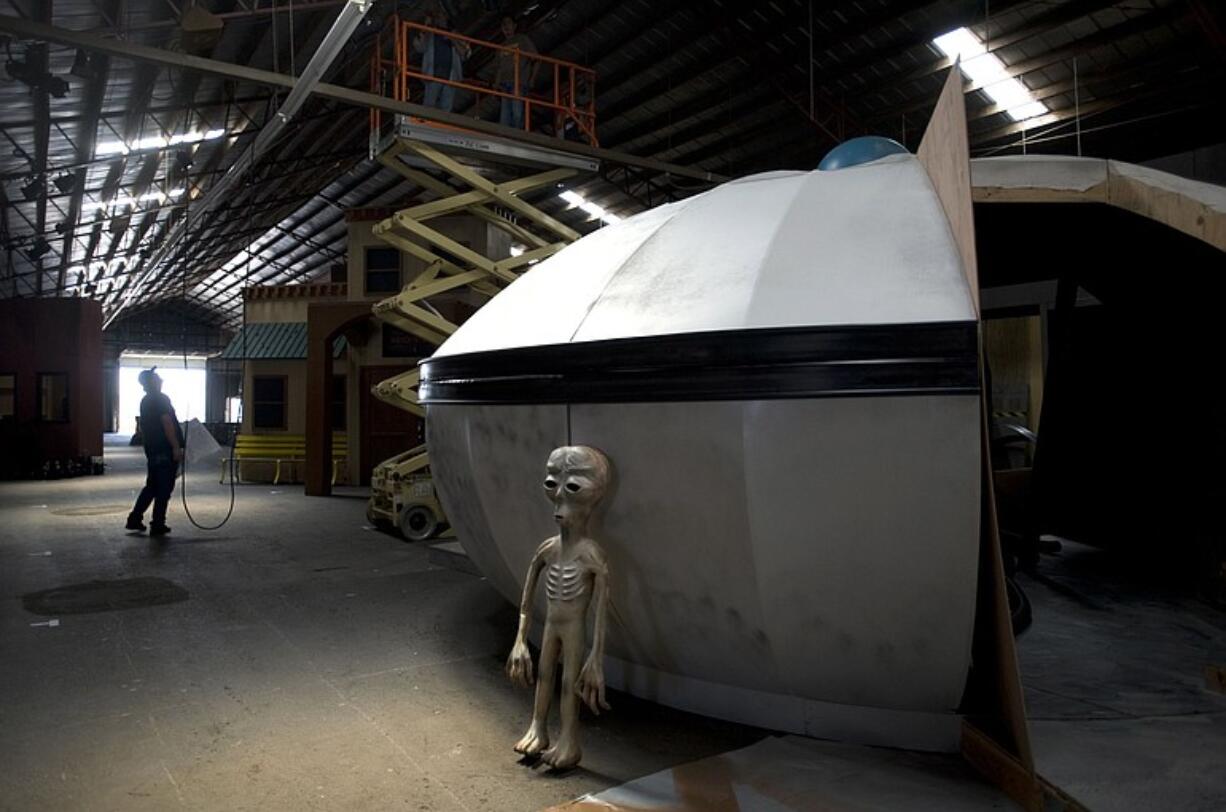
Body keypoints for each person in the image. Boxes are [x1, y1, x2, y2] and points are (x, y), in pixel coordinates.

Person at [125, 368, 184, 537]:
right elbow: (167, 423)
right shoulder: (161, 399)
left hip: (152, 450)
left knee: (152, 486)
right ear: (153, 382)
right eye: (158, 378)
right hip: (164, 450)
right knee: (164, 488)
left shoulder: (146, 401)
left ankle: (134, 518)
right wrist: (175, 446)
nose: (161, 379)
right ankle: (158, 524)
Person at [416, 6, 470, 112]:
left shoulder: (455, 34)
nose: (438, 18)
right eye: (436, 16)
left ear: (446, 17)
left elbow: (466, 54)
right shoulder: (430, 33)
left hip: (450, 78)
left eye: (441, 15)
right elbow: (419, 47)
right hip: (433, 76)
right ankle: (426, 126)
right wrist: (425, 27)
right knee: (428, 107)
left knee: (446, 110)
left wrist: (453, 39)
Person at [494, 15, 537, 131]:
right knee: (504, 117)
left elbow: (536, 59)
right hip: (504, 83)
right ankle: (505, 137)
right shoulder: (500, 47)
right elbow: (498, 68)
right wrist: (496, 85)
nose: (506, 27)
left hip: (518, 82)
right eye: (504, 25)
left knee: (517, 113)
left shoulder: (522, 39)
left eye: (508, 23)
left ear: (514, 26)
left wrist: (532, 79)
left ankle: (517, 136)